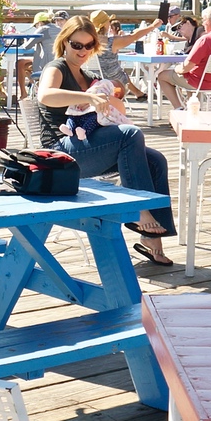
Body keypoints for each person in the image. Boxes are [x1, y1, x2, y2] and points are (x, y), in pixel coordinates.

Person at [36, 16, 177, 266]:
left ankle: (154, 238)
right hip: (60, 152)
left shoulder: (90, 77)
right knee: (131, 135)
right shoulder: (56, 68)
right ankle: (139, 210)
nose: (82, 51)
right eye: (76, 45)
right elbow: (45, 95)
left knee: (155, 159)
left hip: (89, 145)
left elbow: (118, 107)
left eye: (88, 46)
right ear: (65, 42)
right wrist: (87, 98)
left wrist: (106, 94)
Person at [157, 5, 211, 109]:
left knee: (162, 76)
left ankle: (179, 108)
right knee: (189, 76)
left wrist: (177, 69)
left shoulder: (206, 40)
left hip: (198, 82)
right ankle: (194, 109)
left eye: (204, 20)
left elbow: (186, 67)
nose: (202, 23)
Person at [89, 10, 162, 99]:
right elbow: (134, 37)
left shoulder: (87, 41)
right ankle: (138, 94)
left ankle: (138, 93)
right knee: (123, 76)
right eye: (108, 21)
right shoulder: (112, 42)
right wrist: (153, 26)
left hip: (92, 80)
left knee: (122, 74)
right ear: (105, 24)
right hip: (113, 82)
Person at [15, 11, 60, 100]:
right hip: (59, 62)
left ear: (39, 23)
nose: (36, 28)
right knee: (22, 64)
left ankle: (24, 94)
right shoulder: (59, 29)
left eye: (35, 26)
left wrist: (24, 40)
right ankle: (34, 87)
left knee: (19, 63)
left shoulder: (43, 29)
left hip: (46, 64)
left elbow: (27, 46)